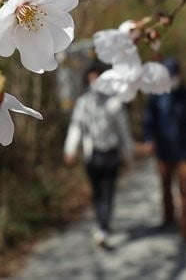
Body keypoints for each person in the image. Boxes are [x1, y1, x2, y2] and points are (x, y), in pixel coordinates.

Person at [64, 63, 134, 248]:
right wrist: (70, 150)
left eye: (98, 79)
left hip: (110, 154)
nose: (94, 83)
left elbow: (123, 131)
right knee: (97, 193)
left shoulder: (114, 103)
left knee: (108, 191)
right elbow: (76, 127)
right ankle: (102, 223)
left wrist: (128, 154)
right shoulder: (83, 103)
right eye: (91, 79)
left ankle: (103, 226)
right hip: (93, 155)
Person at [140, 57, 186, 245]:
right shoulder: (156, 98)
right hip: (163, 150)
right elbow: (148, 122)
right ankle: (168, 218)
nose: (173, 78)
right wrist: (148, 140)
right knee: (165, 186)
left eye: (175, 74)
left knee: (184, 188)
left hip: (184, 150)